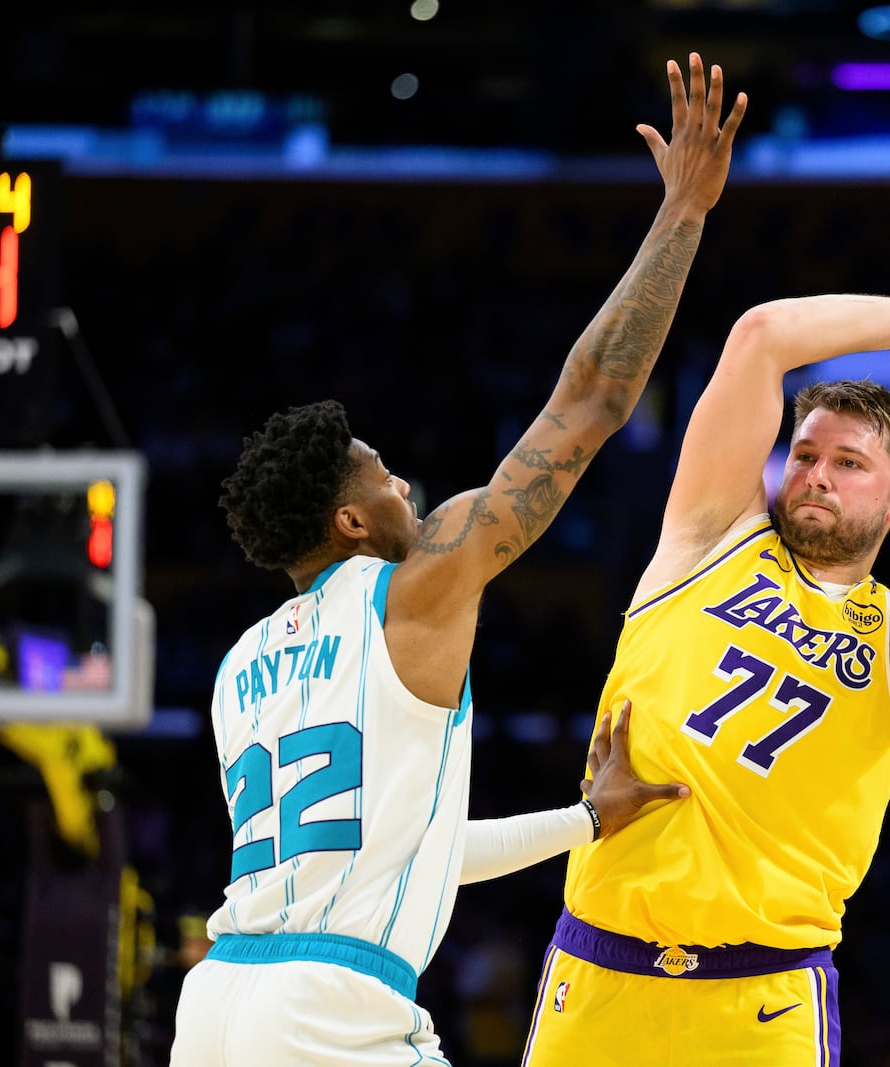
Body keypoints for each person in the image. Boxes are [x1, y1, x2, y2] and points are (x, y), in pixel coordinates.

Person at [170, 54, 747, 1066]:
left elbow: (411, 854)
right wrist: (685, 213)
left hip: (217, 1005)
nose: (408, 489)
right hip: (329, 1013)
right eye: (385, 478)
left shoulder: (237, 669)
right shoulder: (415, 585)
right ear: (349, 522)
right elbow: (589, 403)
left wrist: (579, 819)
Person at [520, 293, 890, 1065]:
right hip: (598, 972)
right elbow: (760, 336)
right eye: (807, 455)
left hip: (765, 1001)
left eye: (848, 463)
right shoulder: (713, 534)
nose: (817, 475)